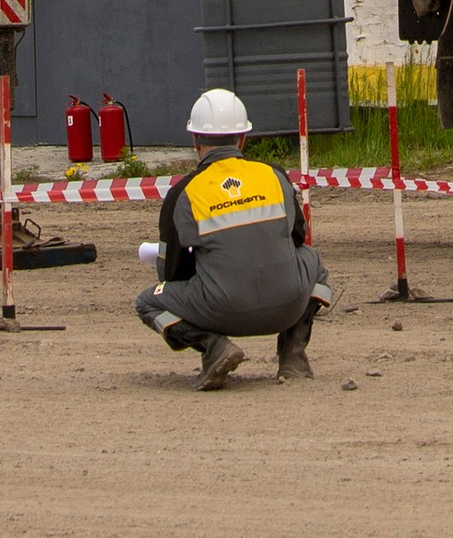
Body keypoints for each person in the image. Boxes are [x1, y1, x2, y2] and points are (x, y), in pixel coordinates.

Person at [135, 87, 330, 390]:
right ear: (242, 139)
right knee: (314, 263)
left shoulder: (183, 195)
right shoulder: (275, 177)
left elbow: (170, 272)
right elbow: (297, 238)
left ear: (195, 140)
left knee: (148, 302)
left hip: (221, 313)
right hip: (287, 307)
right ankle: (292, 357)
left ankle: (214, 348)